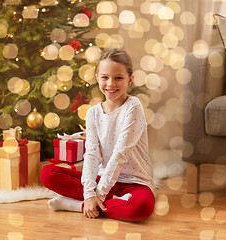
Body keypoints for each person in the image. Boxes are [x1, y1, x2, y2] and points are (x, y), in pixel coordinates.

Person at [40, 48, 155, 222]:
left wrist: (98, 196)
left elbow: (119, 154)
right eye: (105, 77)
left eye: (118, 78)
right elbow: (92, 154)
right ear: (97, 78)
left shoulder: (133, 106)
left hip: (134, 182)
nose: (111, 84)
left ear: (130, 80)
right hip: (102, 178)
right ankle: (108, 203)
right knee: (47, 173)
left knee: (141, 208)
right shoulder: (93, 113)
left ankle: (76, 205)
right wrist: (89, 193)